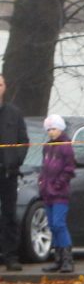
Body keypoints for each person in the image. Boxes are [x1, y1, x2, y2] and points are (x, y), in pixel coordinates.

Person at [38, 115, 76, 273]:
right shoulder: (47, 147)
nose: (51, 132)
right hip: (47, 192)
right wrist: (41, 182)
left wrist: (59, 183)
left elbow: (69, 169)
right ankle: (58, 258)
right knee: (52, 226)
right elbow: (44, 167)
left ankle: (68, 259)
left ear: (60, 128)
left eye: (53, 129)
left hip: (59, 193)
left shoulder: (66, 146)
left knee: (59, 224)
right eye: (49, 130)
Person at [0, 74, 28, 271]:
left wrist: (15, 160)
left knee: (9, 214)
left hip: (8, 173)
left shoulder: (14, 114)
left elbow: (23, 141)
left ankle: (10, 256)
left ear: (5, 87)